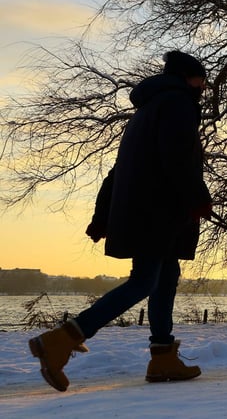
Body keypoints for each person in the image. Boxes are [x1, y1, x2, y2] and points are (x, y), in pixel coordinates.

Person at [29, 51, 213, 392]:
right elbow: (176, 159)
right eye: (202, 81)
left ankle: (163, 357)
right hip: (157, 212)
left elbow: (119, 171)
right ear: (189, 78)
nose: (204, 87)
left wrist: (102, 217)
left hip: (146, 211)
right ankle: (62, 339)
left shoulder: (146, 111)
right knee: (144, 281)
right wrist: (197, 197)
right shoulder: (178, 103)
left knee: (165, 277)